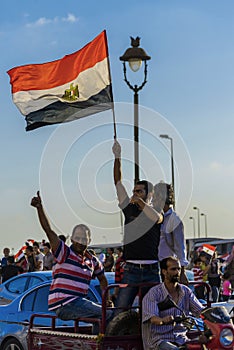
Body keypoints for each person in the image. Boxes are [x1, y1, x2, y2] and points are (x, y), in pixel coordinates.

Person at [31, 191, 113, 333]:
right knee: (108, 315)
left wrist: (107, 298)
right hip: (64, 303)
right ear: (72, 239)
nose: (81, 242)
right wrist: (40, 208)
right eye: (78, 238)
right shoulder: (64, 253)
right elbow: (48, 231)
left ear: (89, 241)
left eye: (84, 239)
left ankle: (97, 343)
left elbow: (103, 279)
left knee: (102, 316)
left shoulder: (92, 261)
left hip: (78, 302)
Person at [112, 140, 163, 310]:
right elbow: (118, 183)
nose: (135, 194)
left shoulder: (155, 211)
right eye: (134, 191)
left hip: (151, 270)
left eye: (139, 191)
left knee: (154, 310)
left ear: (149, 194)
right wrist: (117, 157)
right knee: (121, 309)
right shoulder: (129, 209)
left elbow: (156, 219)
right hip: (131, 269)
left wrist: (141, 203)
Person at [142, 256, 204, 350]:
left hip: (181, 339)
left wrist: (214, 316)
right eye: (173, 269)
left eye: (178, 269)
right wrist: (162, 320)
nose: (177, 272)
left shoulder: (186, 291)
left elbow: (200, 311)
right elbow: (152, 318)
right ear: (164, 271)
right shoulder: (154, 293)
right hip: (159, 340)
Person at [153, 182, 189, 285]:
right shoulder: (155, 217)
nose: (153, 200)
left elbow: (180, 246)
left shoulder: (174, 220)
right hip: (155, 265)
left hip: (167, 266)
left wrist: (182, 271)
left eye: (156, 196)